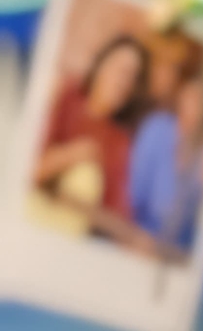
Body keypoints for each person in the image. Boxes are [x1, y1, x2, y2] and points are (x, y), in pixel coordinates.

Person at [33, 34, 150, 226]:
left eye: (133, 77)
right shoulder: (66, 97)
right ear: (100, 65)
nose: (124, 81)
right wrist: (71, 155)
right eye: (120, 70)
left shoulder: (119, 142)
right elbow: (27, 169)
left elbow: (116, 216)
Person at [129, 69, 203, 254]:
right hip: (138, 234)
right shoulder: (157, 128)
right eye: (191, 98)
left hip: (177, 250)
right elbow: (135, 187)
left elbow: (199, 218)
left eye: (201, 102)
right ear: (181, 98)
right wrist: (136, 233)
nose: (195, 107)